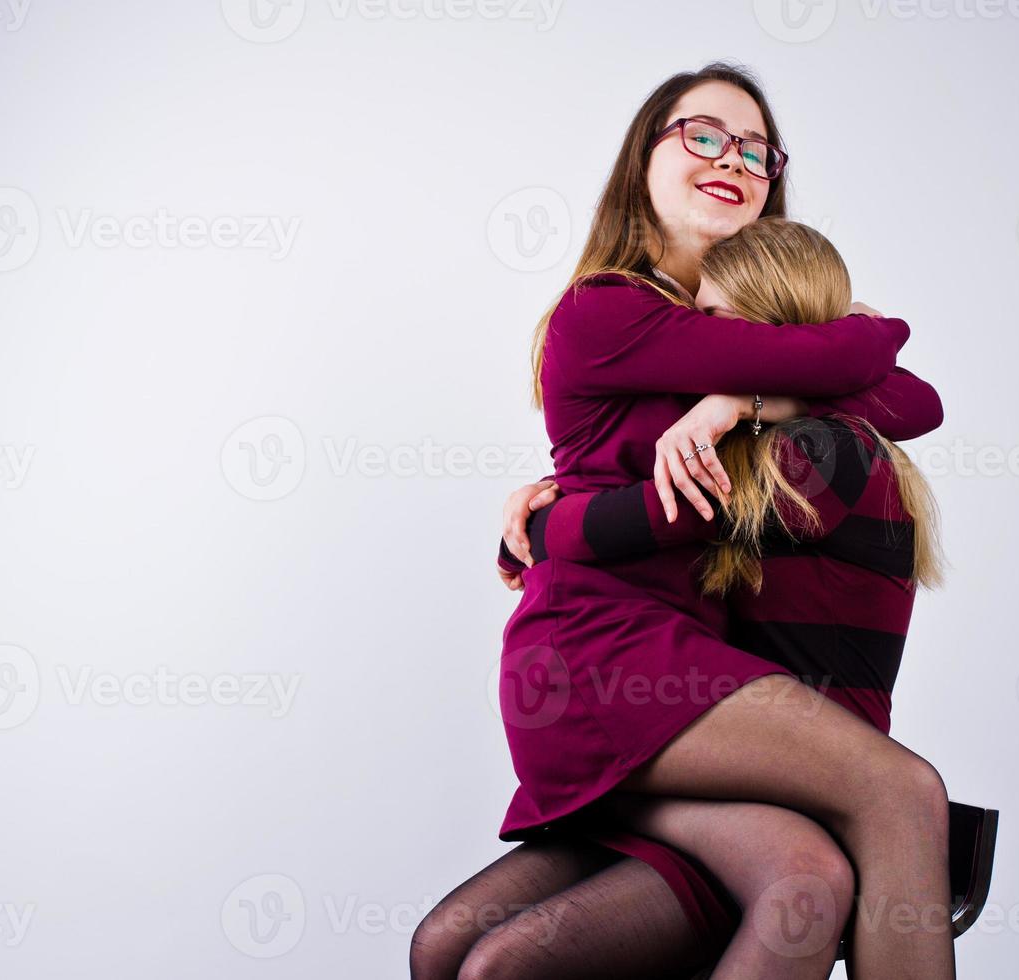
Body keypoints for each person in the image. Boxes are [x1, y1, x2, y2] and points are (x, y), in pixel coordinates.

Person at [411, 64, 954, 980]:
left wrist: (746, 398)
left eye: (754, 150)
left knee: (466, 947)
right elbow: (869, 348)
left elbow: (910, 400)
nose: (731, 159)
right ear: (643, 160)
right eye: (700, 135)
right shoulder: (608, 308)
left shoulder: (750, 355)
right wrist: (547, 529)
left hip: (677, 657)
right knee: (897, 790)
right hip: (609, 653)